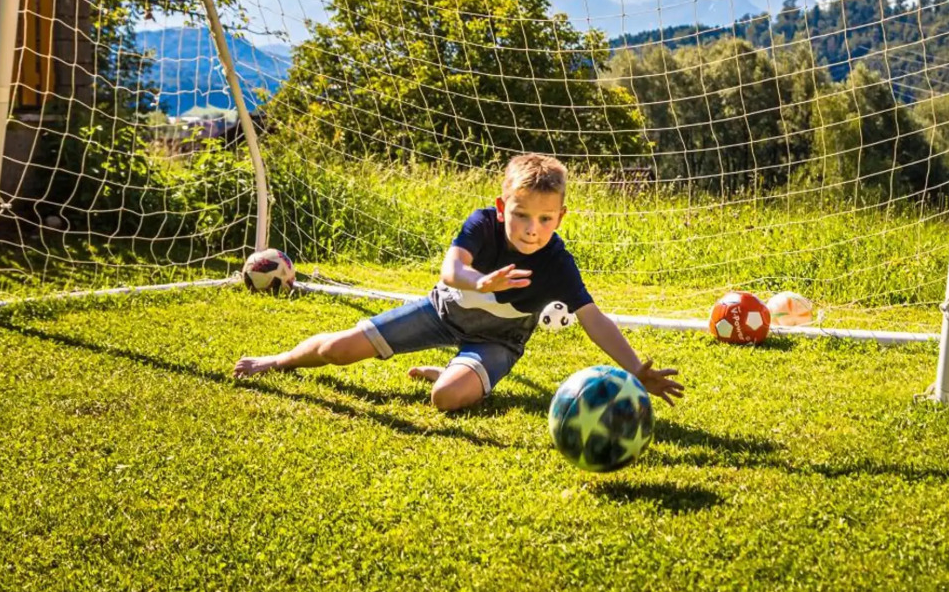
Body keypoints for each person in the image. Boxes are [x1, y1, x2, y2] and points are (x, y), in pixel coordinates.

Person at [233, 153, 685, 412]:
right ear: (501, 208)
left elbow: (593, 318)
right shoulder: (482, 224)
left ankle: (454, 371)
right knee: (338, 349)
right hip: (441, 312)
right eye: (521, 215)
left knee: (445, 399)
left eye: (546, 219)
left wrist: (635, 368)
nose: (532, 229)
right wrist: (481, 282)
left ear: (560, 217)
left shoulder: (557, 263)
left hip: (498, 341)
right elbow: (451, 270)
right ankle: (278, 361)